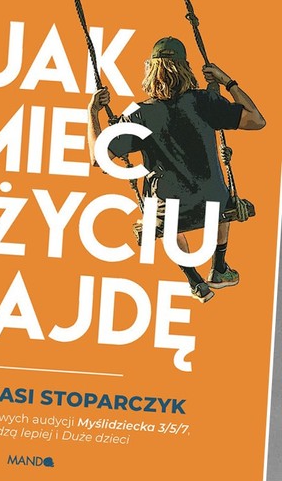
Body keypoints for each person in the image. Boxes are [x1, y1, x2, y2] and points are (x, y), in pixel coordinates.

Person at [87, 36, 266, 303]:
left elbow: (98, 159)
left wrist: (92, 112)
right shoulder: (205, 101)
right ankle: (219, 267)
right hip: (213, 204)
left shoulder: (137, 114)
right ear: (185, 68)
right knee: (221, 195)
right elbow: (257, 120)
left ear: (150, 70)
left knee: (163, 216)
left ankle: (195, 281)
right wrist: (227, 81)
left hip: (171, 214)